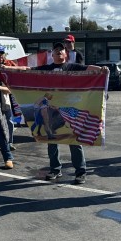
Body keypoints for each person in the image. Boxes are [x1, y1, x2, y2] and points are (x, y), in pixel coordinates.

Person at [31, 41, 109, 185]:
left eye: (62, 50)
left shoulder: (72, 67)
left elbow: (88, 68)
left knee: (74, 139)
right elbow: (26, 70)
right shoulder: (46, 69)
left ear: (66, 54)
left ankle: (80, 172)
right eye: (56, 50)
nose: (59, 51)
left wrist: (101, 69)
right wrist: (7, 68)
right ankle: (55, 169)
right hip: (53, 110)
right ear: (52, 54)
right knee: (51, 139)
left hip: (69, 110)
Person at [0, 44, 17, 150]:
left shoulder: (9, 63)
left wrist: (7, 68)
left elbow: (18, 71)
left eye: (1, 53)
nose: (0, 55)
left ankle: (9, 142)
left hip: (6, 94)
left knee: (9, 120)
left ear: (4, 54)